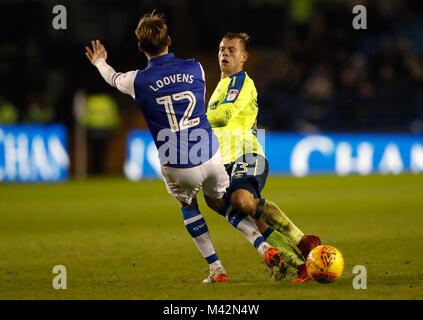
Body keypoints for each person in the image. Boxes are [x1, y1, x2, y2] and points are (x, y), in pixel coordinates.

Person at [84, 13, 283, 283]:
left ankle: (217, 269)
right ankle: (265, 248)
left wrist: (99, 61)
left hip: (177, 160)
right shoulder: (195, 68)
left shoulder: (138, 81)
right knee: (219, 202)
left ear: (141, 48)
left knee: (188, 204)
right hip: (210, 153)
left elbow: (113, 78)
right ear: (168, 40)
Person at [206, 32, 321, 282]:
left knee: (242, 201)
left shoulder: (240, 83)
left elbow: (223, 117)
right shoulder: (220, 86)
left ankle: (302, 240)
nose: (225, 53)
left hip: (247, 154)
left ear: (244, 57)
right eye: (222, 49)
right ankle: (297, 264)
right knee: (244, 214)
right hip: (224, 161)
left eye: (232, 50)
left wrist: (194, 119)